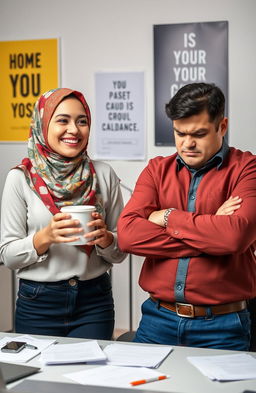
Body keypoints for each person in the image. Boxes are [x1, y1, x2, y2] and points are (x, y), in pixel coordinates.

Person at [117, 82, 256, 350]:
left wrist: (168, 216)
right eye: (179, 133)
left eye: (199, 134)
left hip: (222, 326)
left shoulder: (247, 169)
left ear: (222, 127)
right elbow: (128, 236)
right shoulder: (156, 171)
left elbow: (234, 237)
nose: (187, 143)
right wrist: (212, 231)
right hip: (157, 320)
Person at [0, 88, 126, 339]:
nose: (74, 130)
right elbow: (9, 256)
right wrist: (44, 237)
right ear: (43, 125)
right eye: (62, 120)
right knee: (38, 377)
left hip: (94, 300)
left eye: (82, 121)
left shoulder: (104, 174)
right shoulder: (20, 178)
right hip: (38, 302)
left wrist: (106, 240)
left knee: (90, 375)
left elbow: (120, 251)